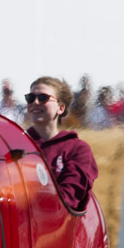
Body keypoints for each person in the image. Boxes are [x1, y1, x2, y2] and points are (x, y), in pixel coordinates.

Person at [24, 76, 98, 211]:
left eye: (43, 98)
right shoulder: (15, 144)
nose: (35, 102)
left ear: (61, 108)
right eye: (30, 98)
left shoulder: (77, 149)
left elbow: (69, 199)